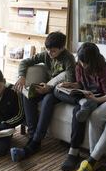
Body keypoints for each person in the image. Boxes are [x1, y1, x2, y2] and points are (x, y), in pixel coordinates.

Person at [10, 31, 76, 162]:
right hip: (46, 86)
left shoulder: (68, 58)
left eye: (53, 51)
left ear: (62, 48)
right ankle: (33, 135)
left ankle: (35, 141)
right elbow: (25, 62)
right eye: (48, 50)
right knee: (27, 95)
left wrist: (49, 87)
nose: (50, 54)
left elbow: (69, 80)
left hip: (59, 90)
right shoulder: (46, 55)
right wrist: (22, 76)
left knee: (48, 100)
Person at [57, 42, 106, 171]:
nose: (83, 65)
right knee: (56, 91)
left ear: (93, 61)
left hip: (98, 98)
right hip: (84, 97)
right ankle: (82, 103)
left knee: (78, 112)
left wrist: (94, 99)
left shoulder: (103, 70)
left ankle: (73, 152)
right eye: (81, 62)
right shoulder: (79, 66)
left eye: (86, 63)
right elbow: (80, 84)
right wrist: (71, 85)